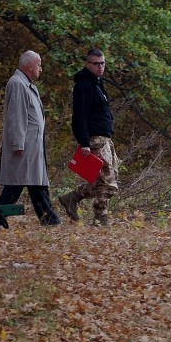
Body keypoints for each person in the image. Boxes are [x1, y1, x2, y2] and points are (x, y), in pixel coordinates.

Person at [0, 50, 61, 226]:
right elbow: (16, 116)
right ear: (30, 65)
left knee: (29, 183)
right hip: (25, 148)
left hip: (31, 147)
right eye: (39, 65)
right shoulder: (17, 84)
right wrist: (17, 143)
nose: (41, 69)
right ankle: (50, 221)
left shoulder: (27, 85)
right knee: (27, 183)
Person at [59, 48, 119, 226]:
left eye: (103, 63)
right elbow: (79, 115)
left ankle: (72, 197)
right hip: (94, 139)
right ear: (88, 64)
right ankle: (100, 218)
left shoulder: (97, 82)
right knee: (107, 182)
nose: (100, 67)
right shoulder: (83, 85)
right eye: (96, 64)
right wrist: (84, 142)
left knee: (109, 178)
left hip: (104, 138)